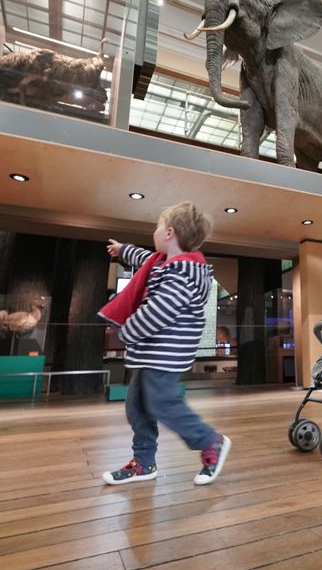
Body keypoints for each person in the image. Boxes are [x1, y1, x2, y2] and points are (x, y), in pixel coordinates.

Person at [99, 201, 231, 486]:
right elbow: (145, 258)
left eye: (158, 226)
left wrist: (128, 330)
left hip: (165, 353)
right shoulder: (164, 261)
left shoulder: (184, 274)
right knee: (136, 408)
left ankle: (210, 441)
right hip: (150, 353)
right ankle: (144, 463)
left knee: (162, 403)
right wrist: (123, 250)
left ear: (169, 233)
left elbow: (159, 311)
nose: (155, 231)